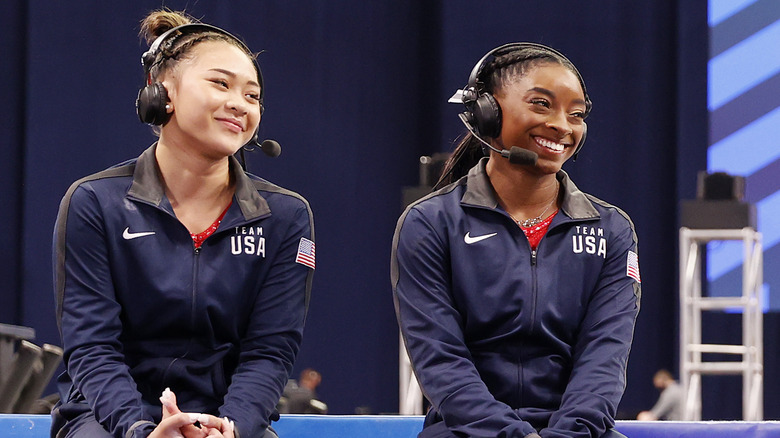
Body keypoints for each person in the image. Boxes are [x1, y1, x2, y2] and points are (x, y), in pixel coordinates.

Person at [51, 10, 314, 438]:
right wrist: (139, 428)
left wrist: (231, 427)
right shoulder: (94, 202)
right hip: (108, 419)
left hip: (224, 420)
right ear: (161, 94)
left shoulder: (285, 215)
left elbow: (270, 351)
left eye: (252, 96)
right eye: (220, 83)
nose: (239, 104)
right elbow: (93, 348)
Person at [391, 43, 641, 438]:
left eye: (576, 114)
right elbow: (442, 363)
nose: (563, 125)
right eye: (542, 104)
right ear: (487, 113)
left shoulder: (612, 230)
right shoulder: (429, 223)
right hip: (466, 431)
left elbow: (604, 359)